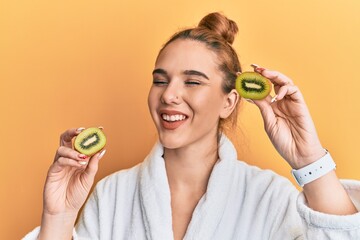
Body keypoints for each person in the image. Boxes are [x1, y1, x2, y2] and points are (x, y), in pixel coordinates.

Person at [24, 12, 360, 240]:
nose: (168, 94)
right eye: (160, 80)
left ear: (229, 101)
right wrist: (59, 215)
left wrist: (308, 159)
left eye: (193, 82)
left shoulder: (269, 198)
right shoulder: (113, 195)